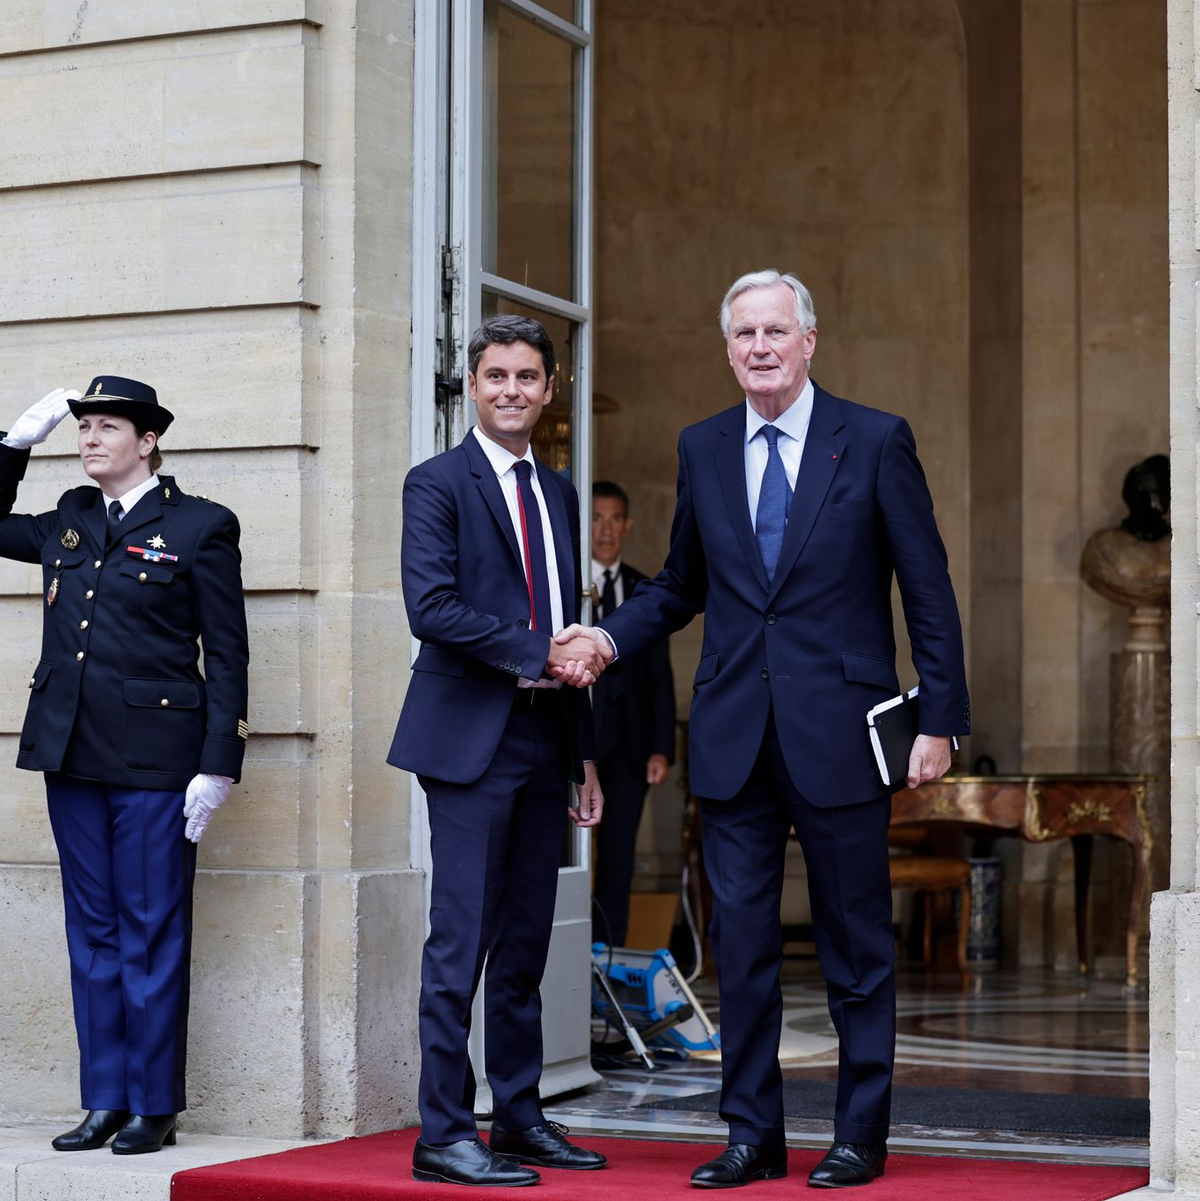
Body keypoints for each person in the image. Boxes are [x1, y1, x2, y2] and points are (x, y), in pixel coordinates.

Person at [555, 270, 970, 1189]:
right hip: (736, 737)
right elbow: (679, 586)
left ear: (810, 338)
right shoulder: (703, 448)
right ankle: (753, 1135)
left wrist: (941, 715)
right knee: (740, 952)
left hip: (840, 736)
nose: (760, 346)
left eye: (775, 329)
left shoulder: (872, 440)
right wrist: (607, 638)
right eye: (743, 333)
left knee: (856, 948)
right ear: (729, 348)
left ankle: (860, 1135)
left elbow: (927, 587)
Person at [387, 314, 610, 1188]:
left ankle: (518, 1116)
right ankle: (443, 1129)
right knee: (460, 946)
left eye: (527, 376)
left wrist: (581, 751)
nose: (512, 389)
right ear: (472, 386)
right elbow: (430, 607)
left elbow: (564, 613)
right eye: (496, 376)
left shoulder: (557, 493)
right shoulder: (435, 482)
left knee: (524, 946)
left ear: (550, 391)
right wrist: (538, 652)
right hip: (469, 739)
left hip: (543, 736)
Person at [0, 378, 249, 1155]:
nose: (89, 438)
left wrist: (219, 762)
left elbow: (229, 652)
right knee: (93, 932)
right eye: (84, 427)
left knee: (151, 930)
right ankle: (104, 1096)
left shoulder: (201, 525)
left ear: (147, 442)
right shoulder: (69, 519)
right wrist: (12, 445)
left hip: (155, 760)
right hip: (70, 751)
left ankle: (153, 1102)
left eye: (108, 426)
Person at [589, 480, 675, 947]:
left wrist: (662, 747)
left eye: (613, 519)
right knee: (564, 853)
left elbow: (660, 676)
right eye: (596, 519)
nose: (604, 529)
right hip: (576, 741)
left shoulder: (647, 589)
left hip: (631, 747)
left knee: (620, 856)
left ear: (626, 526)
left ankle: (608, 955)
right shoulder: (569, 583)